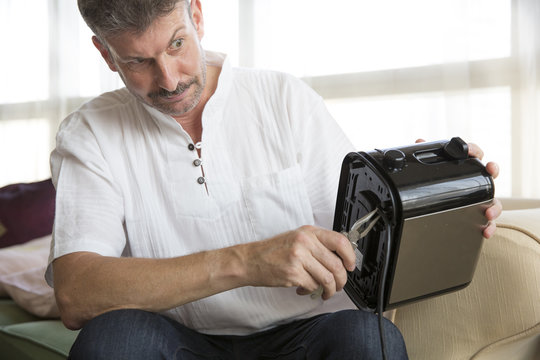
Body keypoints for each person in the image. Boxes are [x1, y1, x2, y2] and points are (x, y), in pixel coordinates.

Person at [47, 0, 502, 359]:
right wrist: (248, 261)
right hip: (176, 342)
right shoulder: (89, 133)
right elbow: (76, 294)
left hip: (307, 337)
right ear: (105, 54)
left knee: (367, 336)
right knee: (114, 341)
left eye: (177, 45)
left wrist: (433, 202)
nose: (168, 80)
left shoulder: (283, 98)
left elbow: (359, 239)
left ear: (198, 16)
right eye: (137, 62)